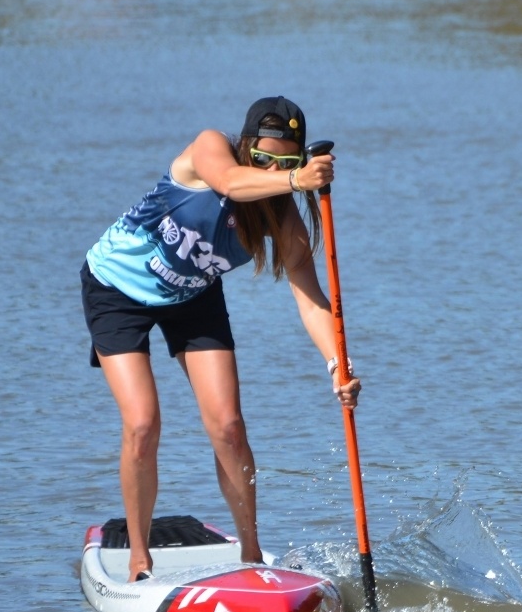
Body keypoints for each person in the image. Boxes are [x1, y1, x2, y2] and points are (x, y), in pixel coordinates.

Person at [81, 96, 361, 581]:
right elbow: (230, 182)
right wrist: (298, 178)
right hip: (116, 287)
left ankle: (251, 553)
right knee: (144, 424)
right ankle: (139, 558)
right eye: (266, 159)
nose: (276, 169)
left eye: (288, 162)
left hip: (192, 295)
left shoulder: (283, 219)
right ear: (247, 145)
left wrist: (339, 363)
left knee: (229, 427)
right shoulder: (211, 148)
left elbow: (312, 300)